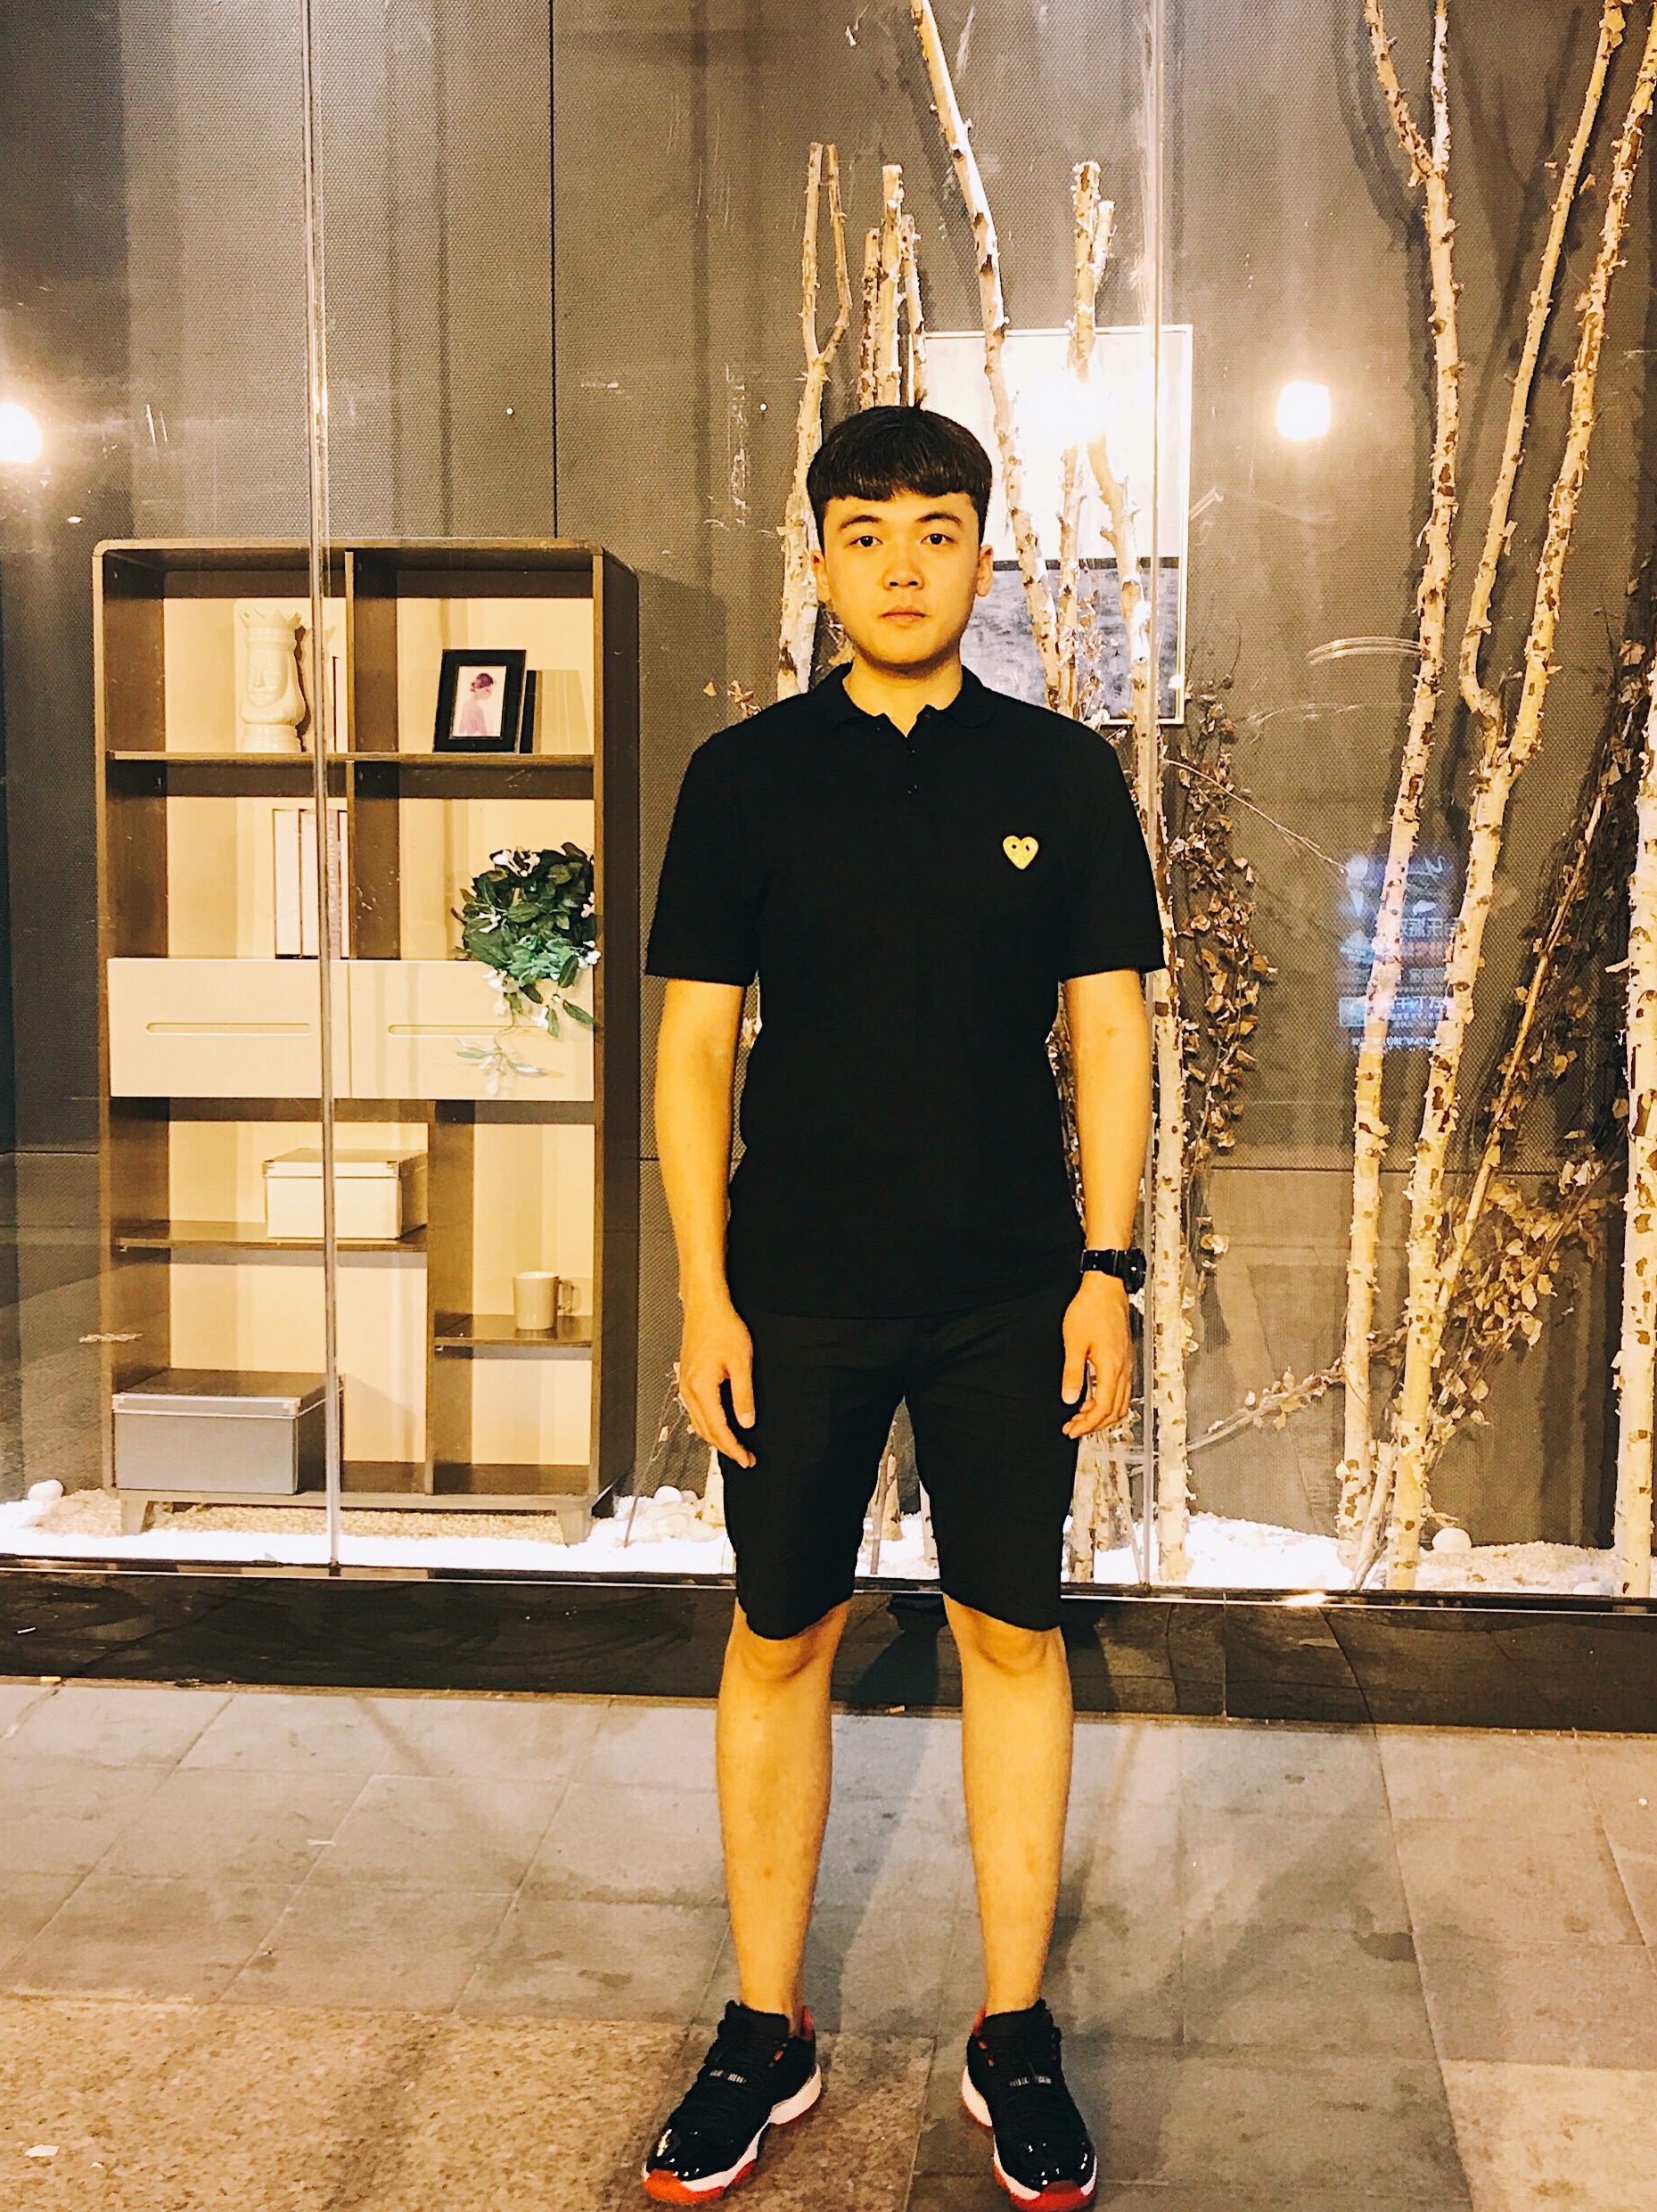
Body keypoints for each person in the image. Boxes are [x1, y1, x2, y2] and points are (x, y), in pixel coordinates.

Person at [640, 405, 1163, 2210]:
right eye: (864, 534)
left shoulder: (1063, 775)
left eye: (937, 532)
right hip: (793, 1292)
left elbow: (1111, 1027)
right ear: (820, 564)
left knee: (1014, 1634)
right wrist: (705, 1291)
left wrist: (1108, 1270)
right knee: (778, 1630)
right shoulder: (744, 778)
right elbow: (694, 1046)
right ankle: (762, 2023)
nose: (901, 565)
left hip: (1012, 1292)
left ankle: (1012, 2028)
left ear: (983, 558)